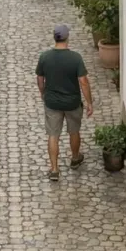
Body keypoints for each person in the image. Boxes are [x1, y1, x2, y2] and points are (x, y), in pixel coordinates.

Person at [35, 23, 93, 182]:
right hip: (72, 102)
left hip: (52, 103)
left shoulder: (45, 57)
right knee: (74, 131)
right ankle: (75, 158)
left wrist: (42, 92)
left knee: (53, 135)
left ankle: (54, 169)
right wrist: (89, 102)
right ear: (67, 37)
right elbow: (83, 82)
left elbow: (40, 78)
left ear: (54, 38)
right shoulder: (75, 58)